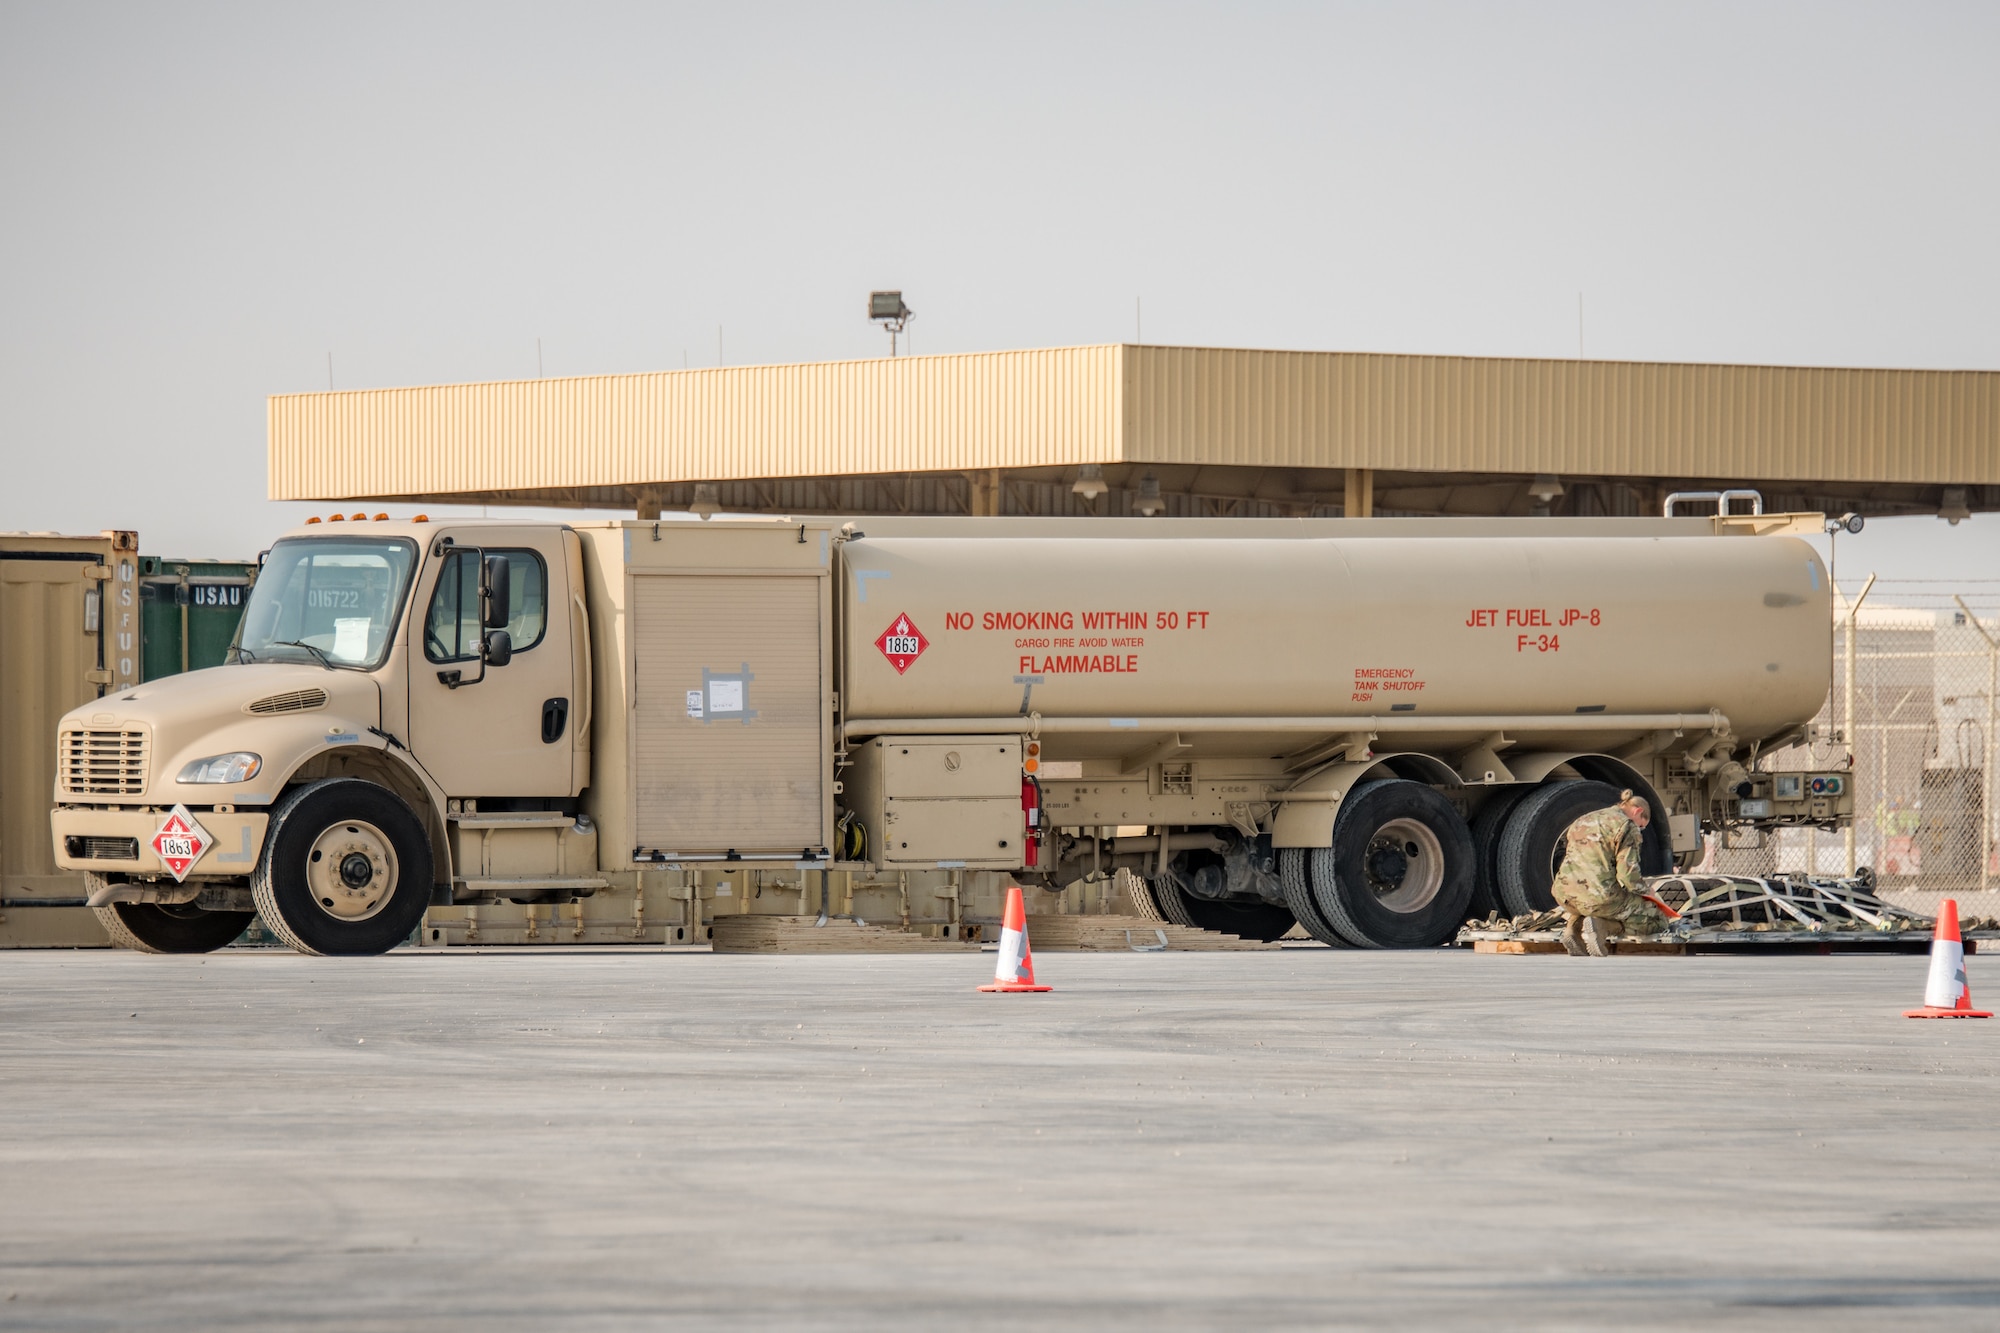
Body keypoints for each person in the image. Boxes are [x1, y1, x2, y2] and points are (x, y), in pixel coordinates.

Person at [1551, 789, 1670, 956]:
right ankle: (1604, 927)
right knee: (1657, 918)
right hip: (1600, 898)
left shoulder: (1583, 819)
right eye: (1641, 825)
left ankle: (1572, 930)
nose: (1640, 829)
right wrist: (1648, 892)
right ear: (1638, 811)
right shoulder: (1627, 826)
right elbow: (1628, 876)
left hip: (1564, 895)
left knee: (1589, 904)